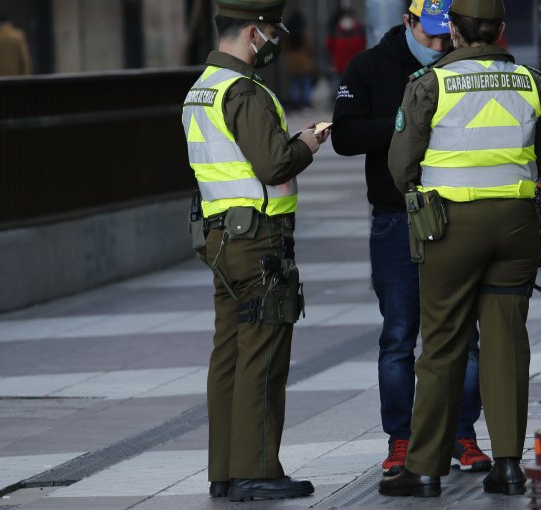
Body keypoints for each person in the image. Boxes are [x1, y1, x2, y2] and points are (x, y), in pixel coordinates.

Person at [380, 0, 541, 497]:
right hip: (518, 224)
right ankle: (508, 465)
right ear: (500, 29)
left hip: (450, 226)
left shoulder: (431, 83)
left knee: (442, 343)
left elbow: (400, 166)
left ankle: (425, 467)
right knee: (506, 343)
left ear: (453, 30)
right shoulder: (530, 80)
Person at [331, 0, 492, 478]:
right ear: (408, 22)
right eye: (433, 35)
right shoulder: (368, 67)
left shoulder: (462, 66)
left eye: (448, 35)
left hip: (455, 210)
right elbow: (344, 136)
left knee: (465, 332)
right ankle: (401, 439)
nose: (442, 44)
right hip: (395, 216)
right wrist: (407, 123)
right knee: (399, 335)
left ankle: (462, 432)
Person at [181, 0, 330, 502]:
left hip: (220, 240)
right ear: (253, 31)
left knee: (228, 352)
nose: (274, 41)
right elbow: (272, 165)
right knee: (263, 355)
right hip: (258, 240)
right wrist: (306, 143)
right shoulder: (244, 90)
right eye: (271, 31)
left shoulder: (201, 89)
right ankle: (257, 469)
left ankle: (223, 469)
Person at [325, 7, 367, 107]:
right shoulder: (335, 31)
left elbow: (364, 46)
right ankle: (336, 105)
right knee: (337, 87)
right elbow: (328, 48)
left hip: (355, 66)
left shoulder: (360, 30)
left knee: (355, 87)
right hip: (338, 66)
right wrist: (331, 63)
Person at [283, 11, 315, 111]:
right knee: (306, 83)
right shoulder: (304, 32)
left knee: (294, 84)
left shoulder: (287, 33)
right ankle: (306, 103)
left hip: (291, 62)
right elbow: (310, 47)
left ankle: (295, 104)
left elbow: (285, 46)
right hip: (304, 61)